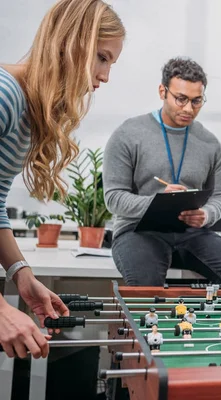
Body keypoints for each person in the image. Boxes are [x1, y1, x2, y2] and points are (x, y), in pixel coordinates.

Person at [0, 0, 125, 359]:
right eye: (102, 57)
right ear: (70, 44)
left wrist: (21, 274)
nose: (105, 76)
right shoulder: (6, 94)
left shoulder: (29, 110)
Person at [103, 57, 221, 287]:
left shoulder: (210, 144)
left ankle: (210, 324)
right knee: (146, 288)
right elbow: (114, 198)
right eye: (181, 99)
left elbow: (220, 197)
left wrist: (206, 214)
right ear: (162, 91)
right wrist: (157, 203)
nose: (188, 109)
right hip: (138, 231)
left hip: (191, 232)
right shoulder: (128, 134)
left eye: (197, 101)